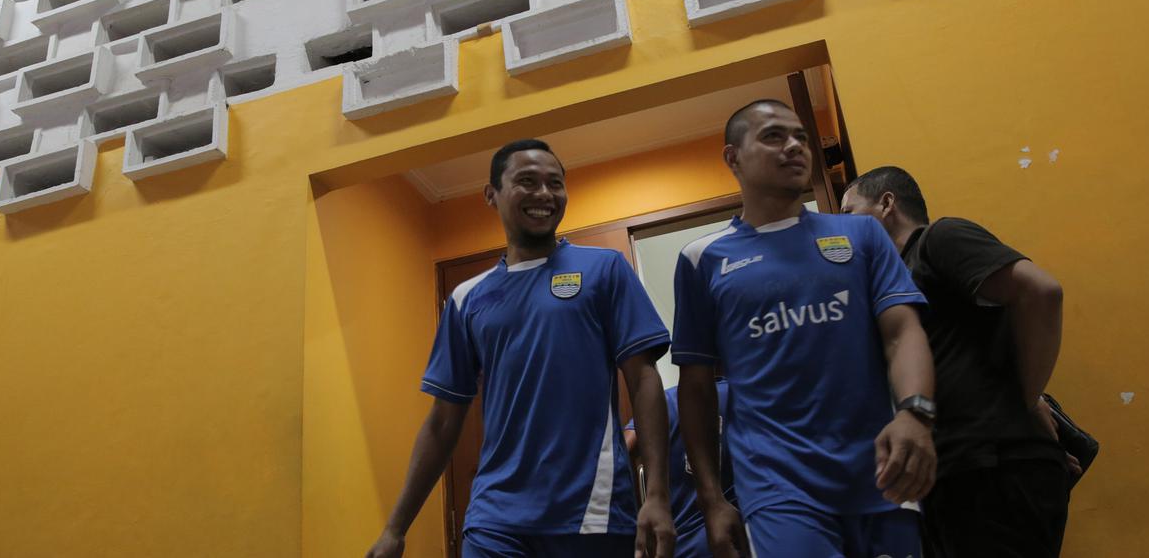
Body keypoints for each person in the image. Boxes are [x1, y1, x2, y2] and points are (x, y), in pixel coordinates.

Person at [366, 139, 676, 558]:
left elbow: (643, 379)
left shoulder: (604, 269)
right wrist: (395, 528)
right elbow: (443, 421)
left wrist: (657, 493)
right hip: (495, 519)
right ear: (491, 194)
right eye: (527, 182)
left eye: (555, 183)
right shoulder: (467, 298)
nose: (544, 195)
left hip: (590, 513)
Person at [673, 100, 937, 558]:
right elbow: (694, 387)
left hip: (881, 471)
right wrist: (712, 501)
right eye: (774, 136)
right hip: (777, 486)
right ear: (733, 157)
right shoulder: (702, 259)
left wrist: (915, 414)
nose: (795, 146)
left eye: (800, 137)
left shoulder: (862, 236)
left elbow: (902, 333)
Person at [841, 166, 1074, 558]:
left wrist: (1025, 398)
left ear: (886, 204)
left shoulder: (938, 239)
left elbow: (1042, 293)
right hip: (951, 475)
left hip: (992, 469)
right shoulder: (890, 286)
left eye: (849, 213)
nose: (843, 227)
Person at [624, 379, 736, 558]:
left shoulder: (666, 401)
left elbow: (625, 451)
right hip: (732, 541)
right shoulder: (742, 400)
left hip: (678, 545)